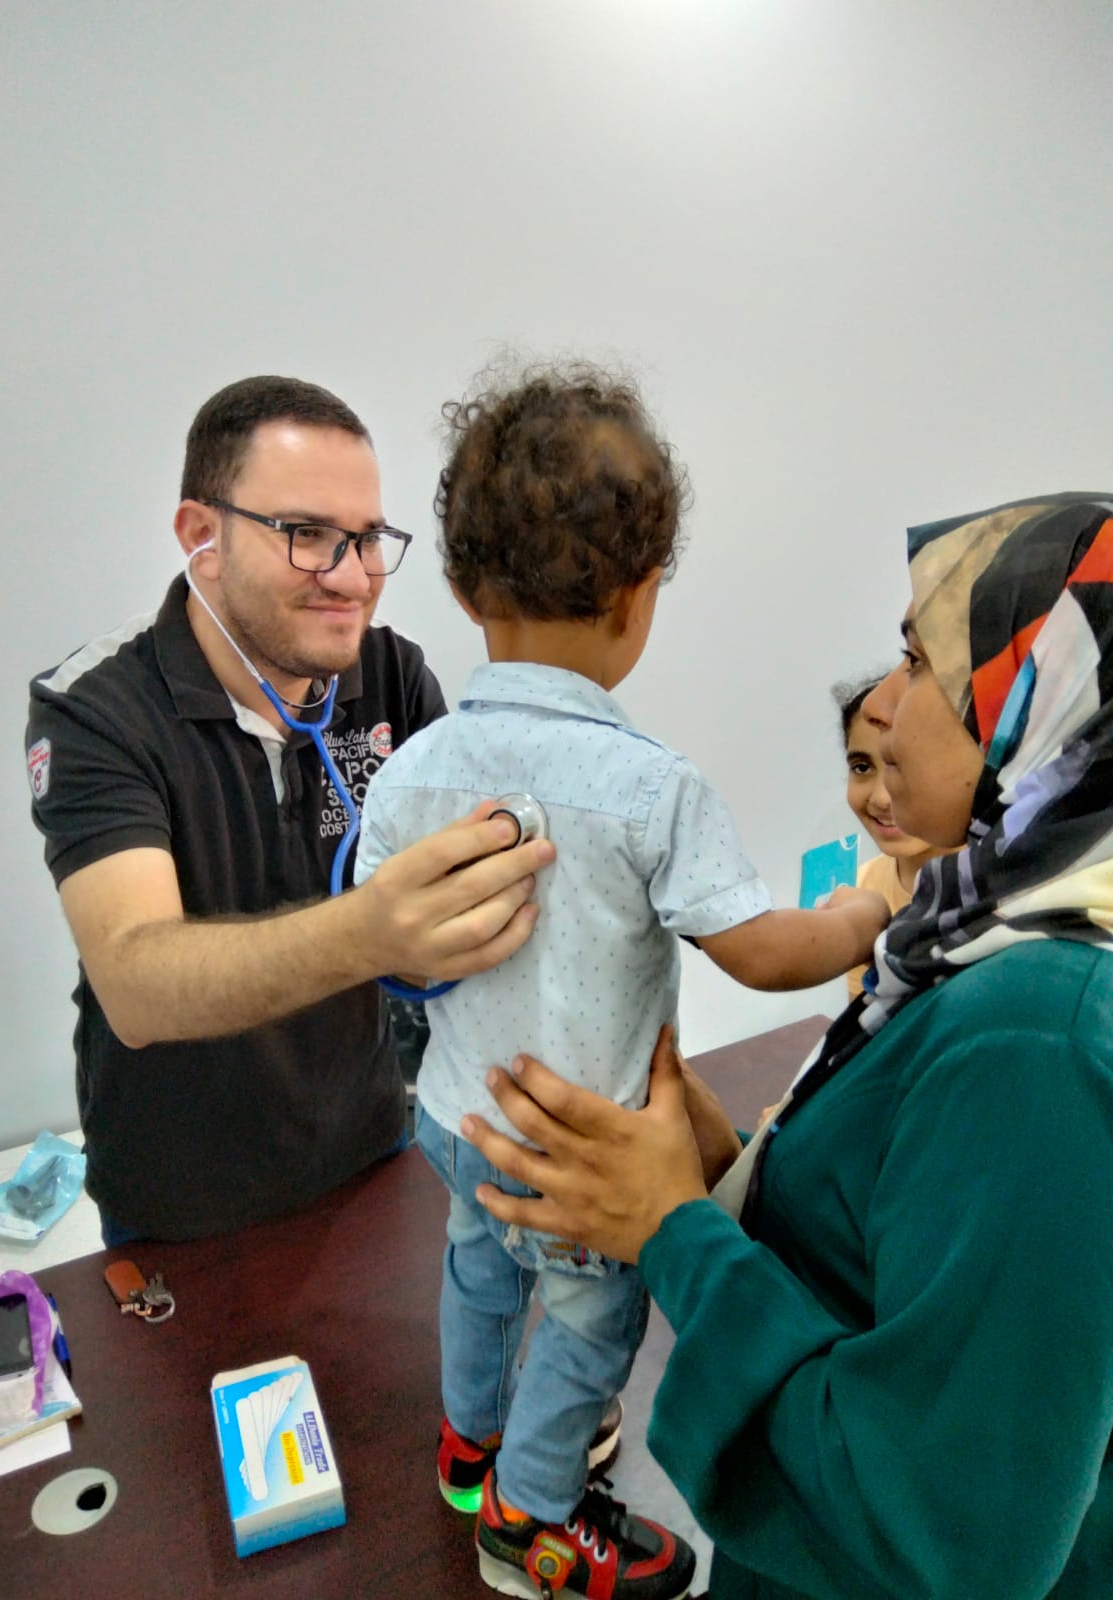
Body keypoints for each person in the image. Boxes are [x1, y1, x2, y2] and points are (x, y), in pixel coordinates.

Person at [463, 491, 1113, 1599]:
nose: (885, 702)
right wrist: (723, 1168)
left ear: (1035, 707)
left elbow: (940, 1529)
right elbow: (893, 1245)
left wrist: (671, 1230)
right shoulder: (988, 935)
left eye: (919, 661)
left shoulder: (1039, 1041)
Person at [354, 364, 889, 1600]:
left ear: (461, 586)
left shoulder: (411, 769)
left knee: (477, 1269)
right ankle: (528, 1519)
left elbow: (384, 941)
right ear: (641, 594)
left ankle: (467, 1449)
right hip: (578, 1152)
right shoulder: (652, 788)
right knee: (593, 1321)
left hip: (455, 1122)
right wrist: (861, 914)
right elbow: (759, 952)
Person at [25, 375, 553, 1245]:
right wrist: (372, 933)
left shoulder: (390, 677)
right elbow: (136, 983)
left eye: (368, 539)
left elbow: (463, 909)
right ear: (202, 537)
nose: (351, 578)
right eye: (307, 535)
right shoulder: (96, 710)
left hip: (370, 1150)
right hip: (179, 1206)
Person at [835, 674, 954, 1000]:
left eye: (907, 764)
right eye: (862, 767)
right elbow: (867, 1016)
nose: (882, 797)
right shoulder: (862, 888)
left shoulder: (1000, 888)